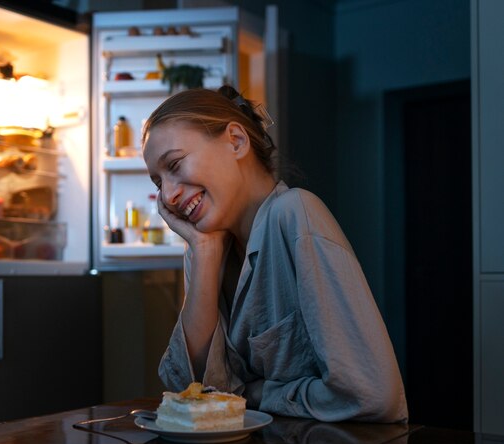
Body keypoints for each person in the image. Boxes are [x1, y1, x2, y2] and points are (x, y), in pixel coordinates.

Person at [141, 85, 408, 423]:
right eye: (157, 183)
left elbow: (373, 394)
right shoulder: (203, 247)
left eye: (175, 165)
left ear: (236, 141)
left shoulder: (295, 214)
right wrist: (205, 255)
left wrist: (259, 393)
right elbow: (192, 394)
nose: (168, 195)